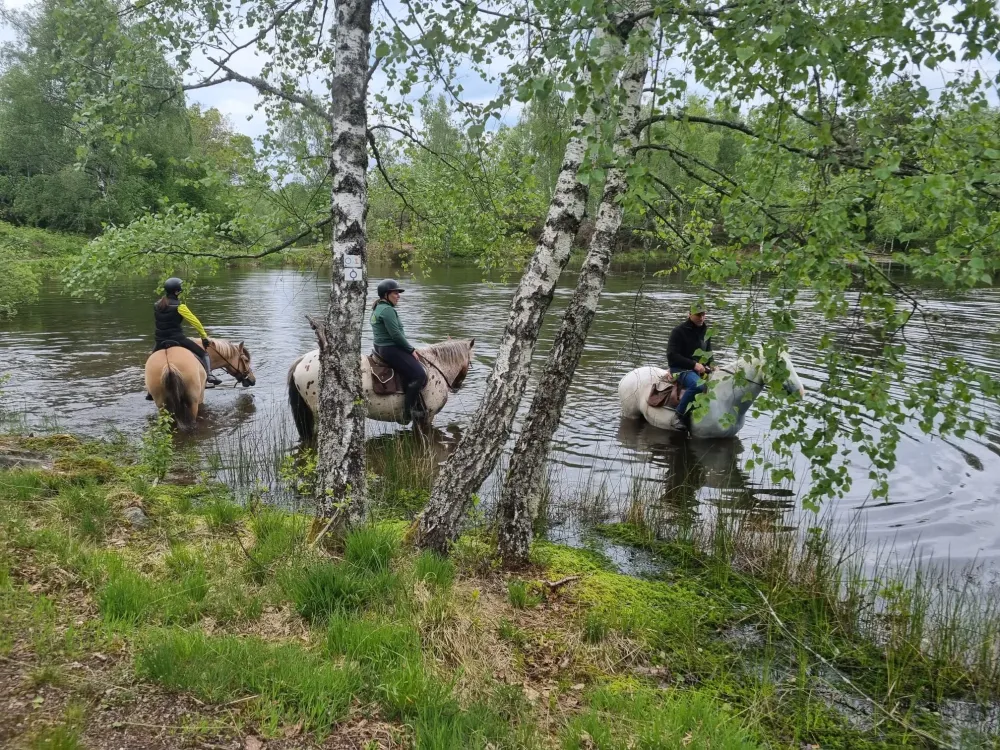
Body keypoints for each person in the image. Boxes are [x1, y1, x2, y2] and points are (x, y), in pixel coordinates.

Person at [371, 279, 427, 422]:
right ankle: (408, 413)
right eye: (395, 293)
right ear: (386, 294)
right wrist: (411, 349)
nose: (398, 296)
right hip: (390, 348)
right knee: (419, 374)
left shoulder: (378, 308)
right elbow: (396, 335)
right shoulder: (388, 310)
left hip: (380, 348)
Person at [151, 277, 222, 389]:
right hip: (177, 339)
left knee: (151, 361)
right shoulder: (180, 306)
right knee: (204, 354)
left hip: (160, 340)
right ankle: (209, 376)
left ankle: (150, 391)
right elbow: (196, 323)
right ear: (177, 291)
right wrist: (204, 337)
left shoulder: (156, 305)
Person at [666, 306, 714, 430]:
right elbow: (672, 355)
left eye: (703, 314)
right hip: (680, 369)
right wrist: (694, 364)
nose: (701, 318)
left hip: (700, 369)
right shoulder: (678, 331)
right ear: (689, 314)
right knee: (698, 386)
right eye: (698, 315)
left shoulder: (706, 332)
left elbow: (708, 354)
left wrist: (712, 365)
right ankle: (678, 416)